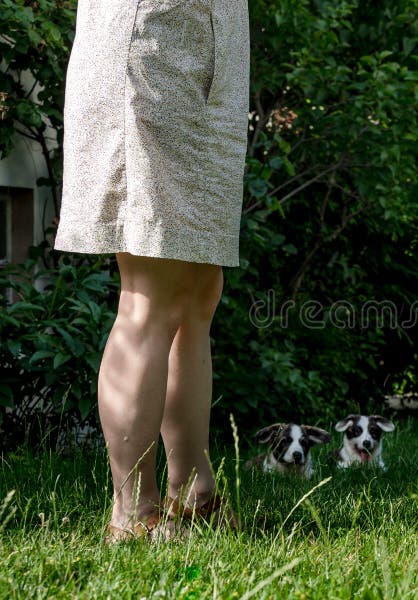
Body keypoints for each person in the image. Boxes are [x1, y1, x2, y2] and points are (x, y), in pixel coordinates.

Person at [54, 1, 250, 542]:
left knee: (198, 293)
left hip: (210, 54)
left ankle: (193, 493)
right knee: (153, 290)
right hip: (155, 49)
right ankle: (133, 513)